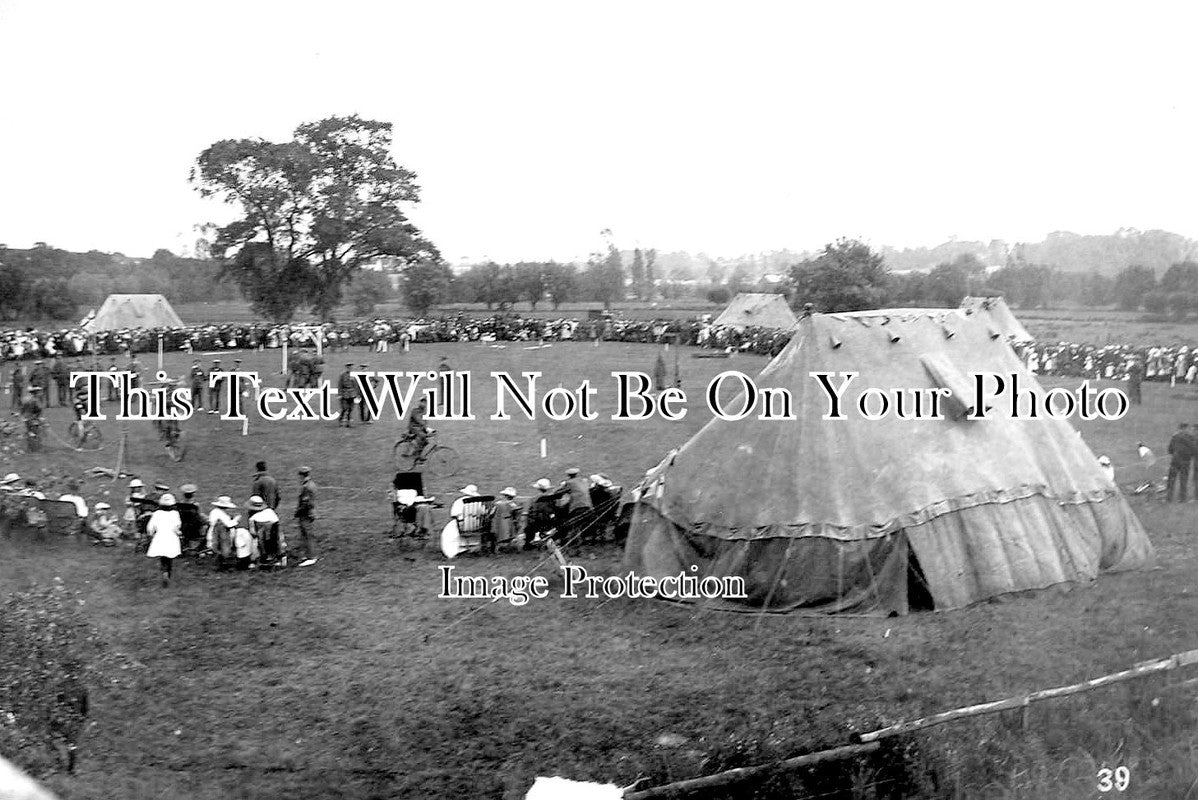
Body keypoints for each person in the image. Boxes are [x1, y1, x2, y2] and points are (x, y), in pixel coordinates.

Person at [145, 493, 182, 588]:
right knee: (169, 558)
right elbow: (177, 526)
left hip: (160, 536)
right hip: (171, 537)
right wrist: (179, 533)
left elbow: (150, 527)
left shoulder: (157, 513)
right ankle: (168, 573)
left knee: (162, 557)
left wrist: (151, 534)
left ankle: (164, 571)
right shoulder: (175, 513)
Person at [248, 495, 284, 568]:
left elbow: (252, 532)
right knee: (277, 542)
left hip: (261, 536)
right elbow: (278, 525)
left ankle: (254, 561)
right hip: (273, 534)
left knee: (254, 542)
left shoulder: (252, 518)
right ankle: (279, 558)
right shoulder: (270, 512)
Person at [559, 467, 594, 542]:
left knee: (574, 524)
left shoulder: (569, 483)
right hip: (588, 505)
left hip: (577, 506)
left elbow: (560, 491)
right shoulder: (584, 481)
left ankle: (574, 540)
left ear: (569, 475)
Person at [206, 496, 240, 571]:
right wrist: (236, 519)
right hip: (221, 534)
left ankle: (219, 564)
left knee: (217, 549)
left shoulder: (214, 511)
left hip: (212, 533)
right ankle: (226, 564)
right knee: (224, 548)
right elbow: (228, 525)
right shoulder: (222, 515)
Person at [525, 478, 560, 550]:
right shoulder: (552, 498)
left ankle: (532, 542)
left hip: (540, 519)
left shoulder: (536, 499)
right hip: (551, 518)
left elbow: (534, 512)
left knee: (529, 528)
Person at [294, 466, 318, 566]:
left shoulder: (306, 487)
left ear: (301, 475)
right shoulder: (311, 484)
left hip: (305, 514)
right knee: (305, 534)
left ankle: (311, 556)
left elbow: (306, 503)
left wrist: (297, 512)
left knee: (307, 535)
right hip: (309, 512)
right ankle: (307, 554)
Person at [1167, 423, 1193, 502]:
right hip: (1185, 461)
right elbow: (1193, 448)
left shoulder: (1175, 436)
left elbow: (1170, 449)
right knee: (1183, 480)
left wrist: (1174, 453)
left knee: (1171, 479)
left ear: (1179, 428)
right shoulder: (1189, 437)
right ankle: (1182, 498)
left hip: (1175, 460)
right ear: (1186, 428)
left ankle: (1169, 498)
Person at [491, 487, 523, 551]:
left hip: (496, 525)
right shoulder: (513, 505)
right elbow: (517, 515)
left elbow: (491, 513)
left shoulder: (497, 504)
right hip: (509, 526)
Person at [176, 484, 205, 553]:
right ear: (193, 494)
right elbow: (200, 518)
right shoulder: (195, 506)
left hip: (183, 528)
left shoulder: (179, 505)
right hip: (194, 530)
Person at [337, 363, 357, 427]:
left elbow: (356, 385)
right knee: (344, 408)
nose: (350, 369)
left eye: (351, 367)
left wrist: (357, 394)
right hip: (345, 393)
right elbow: (340, 385)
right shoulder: (342, 375)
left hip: (352, 393)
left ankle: (348, 423)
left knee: (351, 408)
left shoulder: (354, 375)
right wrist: (339, 394)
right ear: (346, 368)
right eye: (348, 367)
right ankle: (341, 419)